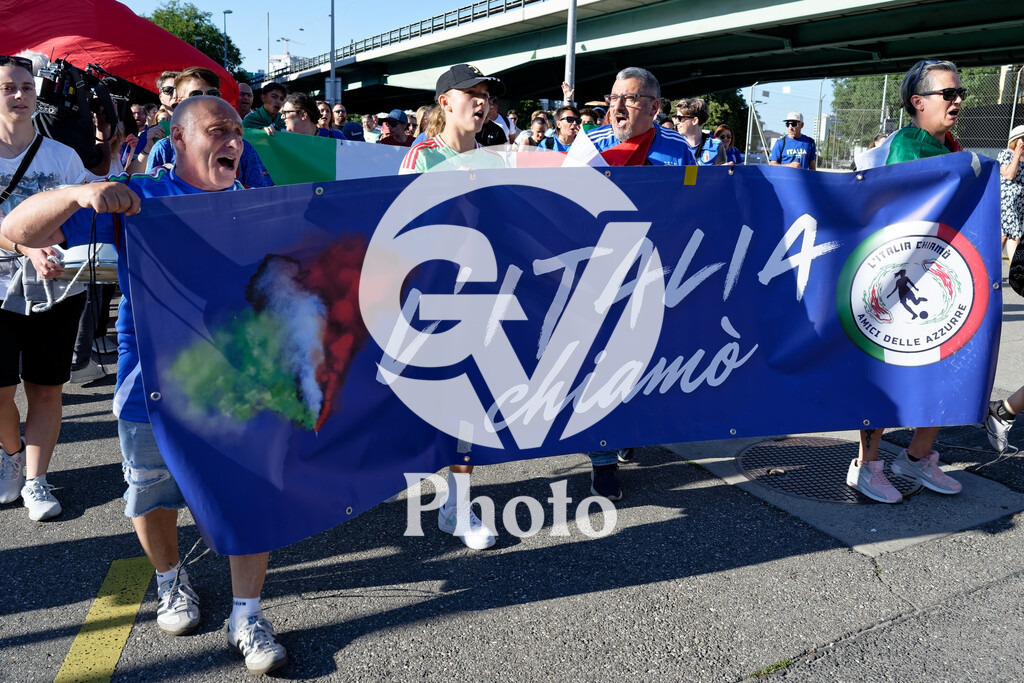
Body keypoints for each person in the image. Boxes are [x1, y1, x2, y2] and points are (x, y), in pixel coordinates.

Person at [2, 96, 288, 675]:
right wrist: (81, 193)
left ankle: (246, 614)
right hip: (150, 386)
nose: (233, 140)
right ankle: (170, 580)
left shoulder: (261, 206)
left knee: (248, 495)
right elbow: (13, 229)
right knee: (152, 494)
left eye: (237, 131)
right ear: (179, 140)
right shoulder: (140, 198)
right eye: (217, 131)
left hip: (243, 384)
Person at [567, 67, 694, 500]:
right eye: (614, 98)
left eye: (632, 99)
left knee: (641, 364)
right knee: (597, 367)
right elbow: (561, 209)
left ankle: (628, 430)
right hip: (598, 275)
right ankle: (601, 463)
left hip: (654, 277)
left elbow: (695, 205)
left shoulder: (678, 149)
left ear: (655, 107)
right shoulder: (590, 146)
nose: (618, 107)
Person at [845, 59, 965, 503]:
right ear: (918, 102)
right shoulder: (906, 147)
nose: (956, 101)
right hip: (899, 280)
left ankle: (916, 458)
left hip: (941, 280)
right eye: (946, 94)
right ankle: (866, 465)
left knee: (946, 365)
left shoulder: (949, 146)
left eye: (959, 94)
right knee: (885, 372)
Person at [399, 64, 505, 551]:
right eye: (472, 94)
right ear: (445, 102)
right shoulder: (422, 156)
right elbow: (400, 231)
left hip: (484, 297)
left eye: (486, 96)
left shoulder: (497, 158)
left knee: (471, 403)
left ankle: (455, 507)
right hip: (432, 300)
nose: (481, 103)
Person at [0, 54, 91, 521]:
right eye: (8, 88)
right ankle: (11, 453)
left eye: (26, 87)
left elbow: (93, 199)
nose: (19, 95)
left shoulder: (61, 156)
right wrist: (24, 246)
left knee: (46, 388)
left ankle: (36, 479)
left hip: (57, 289)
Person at [147, 67, 273, 188]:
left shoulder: (242, 148)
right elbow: (152, 200)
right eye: (196, 94)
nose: (206, 99)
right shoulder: (164, 149)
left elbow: (261, 197)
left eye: (213, 94)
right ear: (180, 102)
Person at [674, 98, 726, 166]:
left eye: (680, 118)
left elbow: (721, 174)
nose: (676, 122)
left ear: (694, 121)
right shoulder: (674, 143)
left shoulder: (715, 144)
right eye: (676, 117)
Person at [998, 125, 1024, 261]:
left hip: (1018, 206)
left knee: (1005, 236)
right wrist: (1017, 154)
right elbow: (1009, 175)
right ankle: (1017, 273)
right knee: (1013, 236)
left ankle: (988, 269)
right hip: (1006, 203)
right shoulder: (1006, 154)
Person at [278, 93, 343, 139]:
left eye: (285, 112)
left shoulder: (335, 137)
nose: (282, 117)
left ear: (303, 114)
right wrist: (268, 136)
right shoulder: (281, 138)